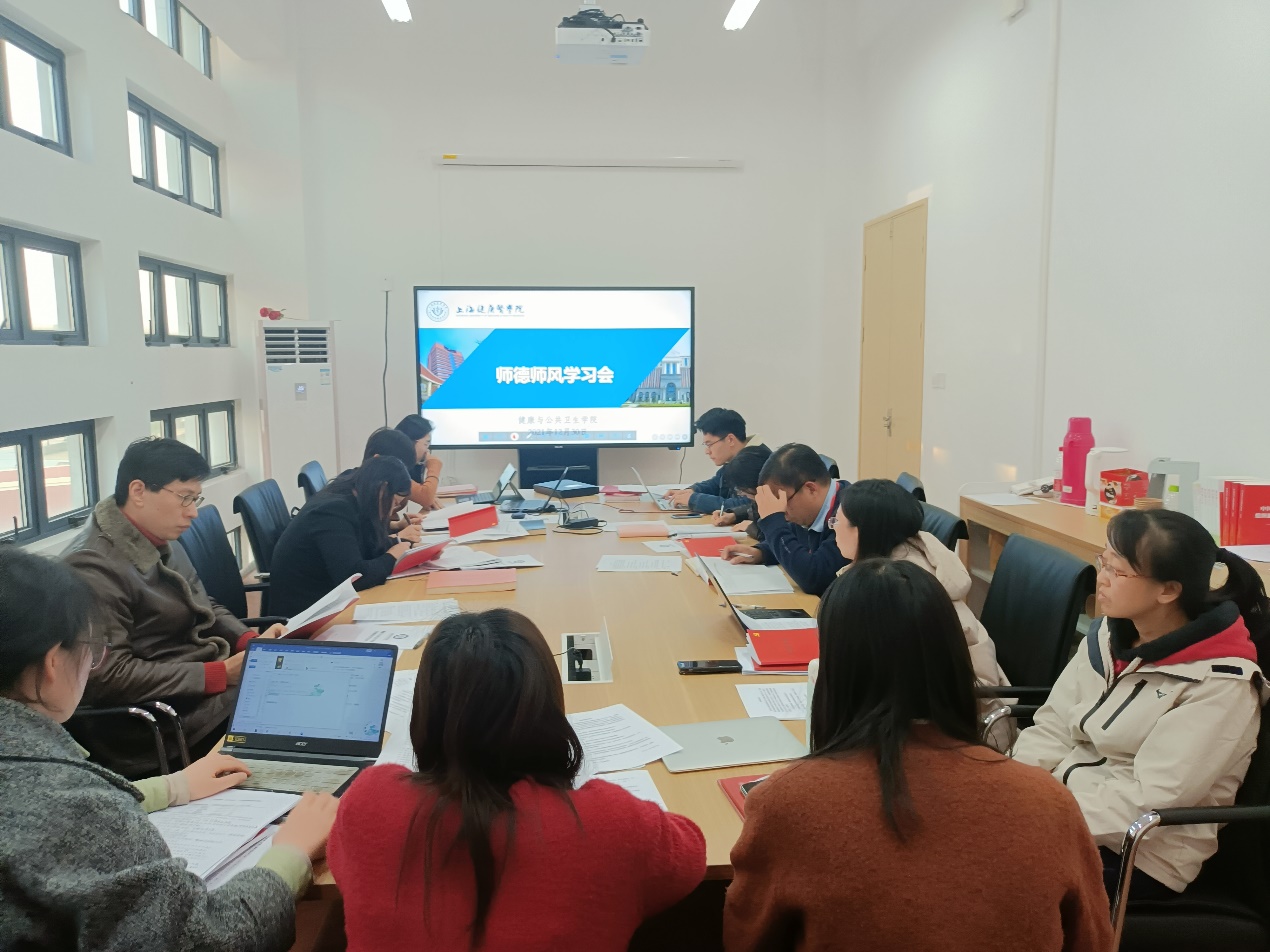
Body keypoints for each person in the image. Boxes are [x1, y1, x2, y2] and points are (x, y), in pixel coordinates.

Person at [723, 560, 1112, 952]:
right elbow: (1093, 940)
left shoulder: (786, 804)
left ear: (835, 669)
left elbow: (747, 939)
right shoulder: (1050, 802)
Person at [0, 547, 337, 951]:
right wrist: (292, 853)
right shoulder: (76, 808)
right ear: (54, 662)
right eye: (92, 648)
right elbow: (209, 940)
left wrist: (173, 786)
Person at [328, 608, 707, 951]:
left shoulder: (368, 801)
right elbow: (688, 858)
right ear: (546, 704)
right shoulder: (611, 822)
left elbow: (354, 875)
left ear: (426, 709)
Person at [1014, 509, 1270, 900]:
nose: (1101, 578)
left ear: (1168, 591)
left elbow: (1149, 800)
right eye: (1103, 562)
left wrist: (1040, 816)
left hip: (1140, 853)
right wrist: (1015, 790)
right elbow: (1053, 725)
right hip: (1063, 814)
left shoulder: (1220, 682)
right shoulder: (1107, 636)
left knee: (986, 874)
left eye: (1117, 571)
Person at [62, 438, 285, 777]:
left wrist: (250, 643)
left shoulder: (159, 535)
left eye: (195, 499)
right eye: (184, 498)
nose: (192, 512)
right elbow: (108, 676)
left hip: (193, 685)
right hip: (154, 722)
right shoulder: (92, 566)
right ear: (138, 491)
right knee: (284, 706)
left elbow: (204, 604)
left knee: (291, 687)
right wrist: (219, 674)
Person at [831, 478, 1008, 688]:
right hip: (943, 693)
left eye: (836, 521)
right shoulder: (911, 554)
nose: (833, 528)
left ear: (861, 530)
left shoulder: (899, 587)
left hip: (969, 701)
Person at [269, 457, 420, 618]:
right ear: (382, 489)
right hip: (305, 615)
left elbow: (363, 545)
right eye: (395, 502)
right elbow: (354, 578)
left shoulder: (350, 495)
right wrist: (392, 556)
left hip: (324, 599)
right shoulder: (333, 511)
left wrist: (397, 543)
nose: (391, 512)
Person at [720, 443, 849, 596]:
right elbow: (795, 539)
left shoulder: (850, 515)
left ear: (811, 489)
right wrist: (762, 552)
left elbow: (814, 579)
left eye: (783, 501)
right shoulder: (810, 509)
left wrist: (773, 521)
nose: (782, 510)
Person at [664, 408, 768, 513]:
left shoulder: (755, 460)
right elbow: (717, 484)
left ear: (730, 439)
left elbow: (749, 505)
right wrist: (691, 491)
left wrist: (693, 500)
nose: (707, 451)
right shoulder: (738, 456)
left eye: (709, 444)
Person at [709, 445, 773, 542]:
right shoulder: (764, 496)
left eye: (744, 490)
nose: (743, 494)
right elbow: (755, 507)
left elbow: (786, 538)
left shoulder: (786, 503)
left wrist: (755, 529)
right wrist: (734, 515)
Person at [396, 415, 444, 511]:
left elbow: (425, 497)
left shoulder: (405, 466)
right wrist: (434, 465)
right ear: (411, 442)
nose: (427, 451)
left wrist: (428, 496)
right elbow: (426, 499)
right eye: (426, 444)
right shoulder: (393, 467)